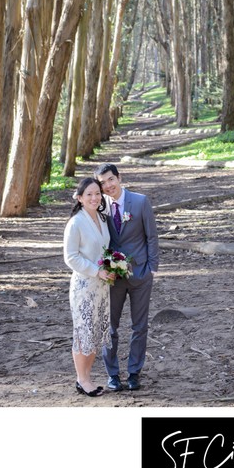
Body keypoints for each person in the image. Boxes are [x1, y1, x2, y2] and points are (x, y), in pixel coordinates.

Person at [95, 163, 159, 391]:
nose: (108, 186)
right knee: (109, 327)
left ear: (119, 178)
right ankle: (112, 375)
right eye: (102, 183)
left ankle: (134, 373)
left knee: (139, 326)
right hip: (112, 278)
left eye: (110, 180)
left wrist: (152, 268)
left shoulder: (140, 202)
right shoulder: (99, 206)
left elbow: (152, 236)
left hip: (140, 274)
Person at [63, 177, 115, 397]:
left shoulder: (102, 219)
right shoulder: (75, 222)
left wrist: (112, 266)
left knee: (96, 332)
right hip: (84, 285)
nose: (94, 198)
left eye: (97, 193)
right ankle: (82, 379)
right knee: (83, 332)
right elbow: (70, 257)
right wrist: (96, 270)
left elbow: (104, 250)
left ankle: (87, 376)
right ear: (80, 198)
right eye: (89, 194)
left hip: (102, 285)